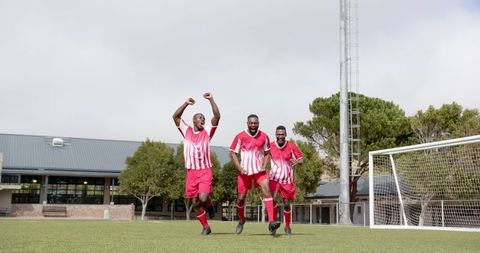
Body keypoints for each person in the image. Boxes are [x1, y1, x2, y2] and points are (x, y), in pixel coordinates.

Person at [172, 92, 220, 235]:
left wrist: (211, 100)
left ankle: (209, 204)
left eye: (204, 118)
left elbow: (217, 117)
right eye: (200, 118)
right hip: (191, 172)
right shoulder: (186, 130)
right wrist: (186, 103)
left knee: (203, 198)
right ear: (194, 120)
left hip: (205, 170)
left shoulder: (208, 132)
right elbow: (175, 117)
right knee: (195, 203)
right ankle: (206, 227)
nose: (203, 120)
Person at [230, 114, 281, 235]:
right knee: (241, 199)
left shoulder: (264, 136)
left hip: (259, 171)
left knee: (267, 191)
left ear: (258, 123)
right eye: (251, 123)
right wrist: (239, 167)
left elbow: (267, 152)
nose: (253, 125)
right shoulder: (240, 136)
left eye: (255, 123)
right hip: (244, 172)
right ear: (247, 123)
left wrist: (264, 165)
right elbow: (232, 153)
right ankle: (242, 220)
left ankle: (271, 222)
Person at [268, 125, 303, 235]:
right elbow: (263, 156)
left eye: (282, 134)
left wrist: (297, 162)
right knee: (272, 201)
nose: (280, 136)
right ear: (275, 135)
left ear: (285, 135)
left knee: (286, 204)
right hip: (274, 178)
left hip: (287, 179)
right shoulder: (270, 146)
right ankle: (273, 225)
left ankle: (287, 226)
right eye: (278, 134)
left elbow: (301, 159)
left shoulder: (291, 146)